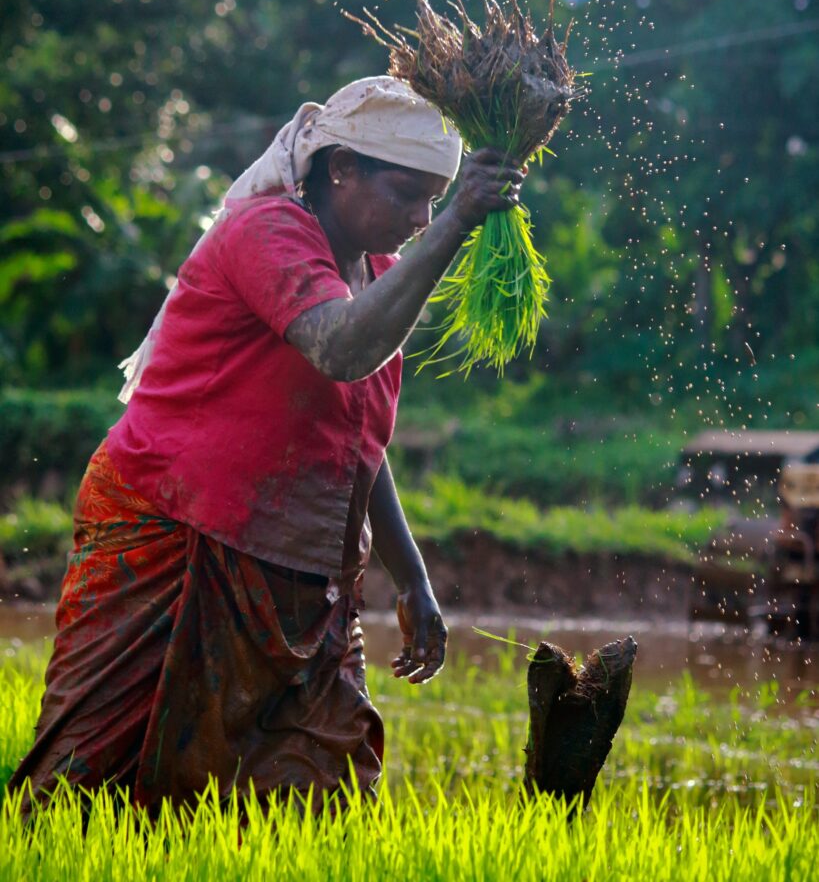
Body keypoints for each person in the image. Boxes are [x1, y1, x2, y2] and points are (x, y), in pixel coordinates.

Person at [10, 76, 524, 812]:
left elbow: (356, 442)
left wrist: (411, 577)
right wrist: (458, 222)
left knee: (324, 782)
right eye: (408, 194)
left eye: (435, 200)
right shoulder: (266, 233)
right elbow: (341, 351)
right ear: (340, 169)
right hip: (174, 525)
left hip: (301, 565)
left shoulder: (376, 271)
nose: (420, 218)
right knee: (95, 774)